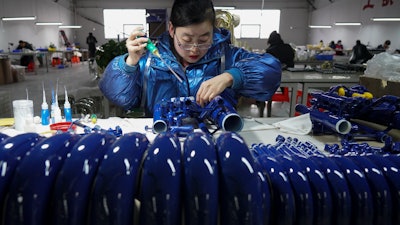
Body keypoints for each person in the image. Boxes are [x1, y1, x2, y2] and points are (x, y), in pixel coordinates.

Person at [98, 0, 281, 116]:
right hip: (161, 141)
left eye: (204, 39)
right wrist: (130, 63)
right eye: (186, 40)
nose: (194, 49)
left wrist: (231, 76)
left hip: (214, 142)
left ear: (213, 30)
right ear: (171, 29)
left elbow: (271, 73)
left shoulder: (227, 57)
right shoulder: (150, 60)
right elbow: (119, 97)